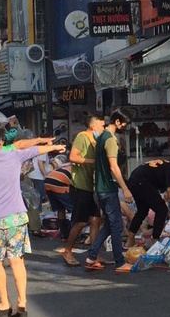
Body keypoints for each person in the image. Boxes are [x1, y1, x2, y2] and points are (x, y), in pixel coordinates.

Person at [0, 122, 65, 317]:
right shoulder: (13, 155)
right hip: (17, 217)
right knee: (17, 260)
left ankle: (4, 303)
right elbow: (34, 150)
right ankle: (22, 303)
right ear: (2, 140)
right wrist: (54, 147)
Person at [84, 110, 134, 273]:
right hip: (107, 188)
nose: (125, 126)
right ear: (118, 122)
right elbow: (114, 167)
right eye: (124, 123)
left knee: (110, 224)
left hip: (100, 188)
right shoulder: (110, 140)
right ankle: (120, 262)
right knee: (117, 225)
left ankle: (91, 255)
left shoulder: (101, 137)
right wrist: (125, 188)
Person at [61, 113, 103, 267]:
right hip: (80, 185)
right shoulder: (82, 137)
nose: (103, 128)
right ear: (93, 126)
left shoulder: (96, 140)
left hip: (90, 186)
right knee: (80, 222)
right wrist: (94, 161)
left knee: (95, 220)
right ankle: (68, 251)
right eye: (101, 125)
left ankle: (94, 254)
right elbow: (73, 157)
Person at [124, 157, 170, 248]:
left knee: (142, 210)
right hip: (142, 182)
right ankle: (155, 242)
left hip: (134, 179)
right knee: (162, 210)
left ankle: (130, 241)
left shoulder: (167, 163)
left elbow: (166, 187)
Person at [43, 157, 72, 241]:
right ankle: (71, 234)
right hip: (59, 183)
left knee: (60, 208)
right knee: (72, 209)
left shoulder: (64, 166)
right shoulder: (77, 170)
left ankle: (63, 235)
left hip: (48, 181)